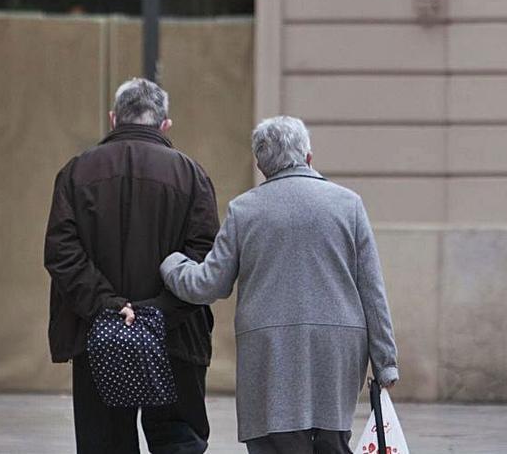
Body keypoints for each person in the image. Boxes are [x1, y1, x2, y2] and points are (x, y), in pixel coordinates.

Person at [159, 116, 399, 454]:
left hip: (270, 352)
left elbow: (207, 285)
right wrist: (385, 361)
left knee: (275, 442)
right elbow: (372, 290)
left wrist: (172, 264)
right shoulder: (349, 205)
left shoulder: (244, 210)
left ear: (261, 165)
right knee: (332, 441)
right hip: (336, 349)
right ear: (309, 157)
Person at [45, 78, 219, 454]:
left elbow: (62, 252)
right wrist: (157, 313)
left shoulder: (76, 172)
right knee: (178, 441)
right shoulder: (191, 175)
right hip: (175, 338)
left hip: (97, 336)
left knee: (104, 443)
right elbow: (205, 259)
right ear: (165, 124)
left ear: (113, 119)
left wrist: (109, 306)